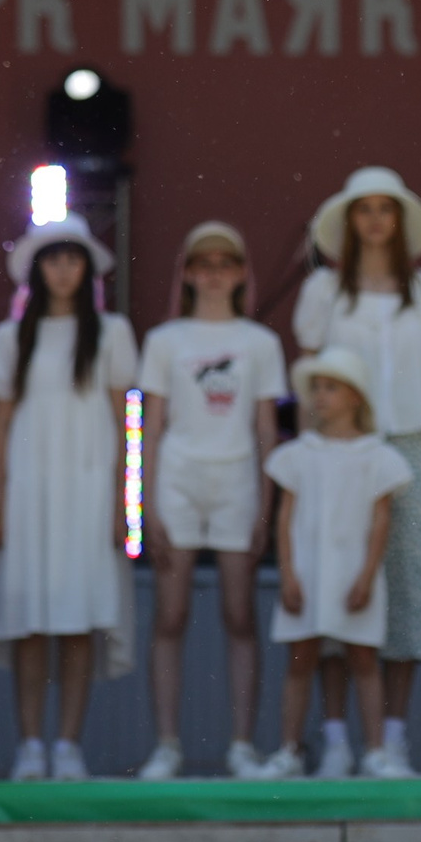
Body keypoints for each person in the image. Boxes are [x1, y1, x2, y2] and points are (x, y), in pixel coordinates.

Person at [293, 166, 421, 778]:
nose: (373, 221)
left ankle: (390, 742)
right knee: (338, 585)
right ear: (347, 221)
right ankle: (336, 738)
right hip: (339, 448)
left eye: (383, 209)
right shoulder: (324, 296)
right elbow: (310, 387)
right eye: (361, 209)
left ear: (398, 220)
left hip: (411, 449)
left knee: (408, 592)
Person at [0, 215, 139, 781]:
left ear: (88, 269)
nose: (63, 269)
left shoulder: (113, 332)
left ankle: (68, 745)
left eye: (73, 259)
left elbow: (130, 418)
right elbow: (0, 425)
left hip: (90, 488)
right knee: (31, 620)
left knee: (77, 620)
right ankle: (30, 745)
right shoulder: (9, 336)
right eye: (53, 259)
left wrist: (129, 504)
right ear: (36, 270)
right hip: (29, 490)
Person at [137, 222, 288, 781]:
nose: (217, 271)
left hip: (238, 480)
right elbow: (149, 428)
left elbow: (267, 429)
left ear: (242, 272)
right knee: (170, 613)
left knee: (239, 614)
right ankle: (167, 745)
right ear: (190, 272)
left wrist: (267, 507)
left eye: (228, 261)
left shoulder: (260, 342)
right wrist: (145, 505)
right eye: (206, 262)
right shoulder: (165, 340)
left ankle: (242, 746)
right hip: (177, 477)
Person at [260, 347, 411, 779]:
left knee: (363, 659)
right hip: (307, 574)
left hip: (354, 574)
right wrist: (288, 574)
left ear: (355, 398)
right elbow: (285, 521)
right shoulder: (299, 454)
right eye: (316, 389)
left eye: (331, 388)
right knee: (301, 658)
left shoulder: (376, 456)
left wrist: (366, 577)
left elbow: (381, 523)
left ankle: (377, 752)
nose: (319, 397)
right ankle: (289, 750)